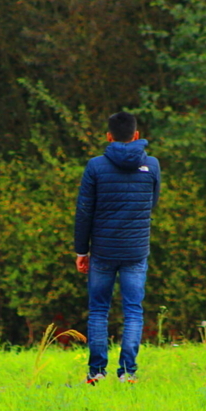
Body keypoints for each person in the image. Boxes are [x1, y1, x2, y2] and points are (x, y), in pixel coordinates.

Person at [73, 111, 161, 385]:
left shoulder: (96, 166)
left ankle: (97, 371)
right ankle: (128, 373)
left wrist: (81, 250)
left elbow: (84, 211)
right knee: (133, 310)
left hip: (103, 251)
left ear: (108, 136)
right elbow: (152, 204)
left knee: (99, 309)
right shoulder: (153, 165)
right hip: (136, 251)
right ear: (136, 135)